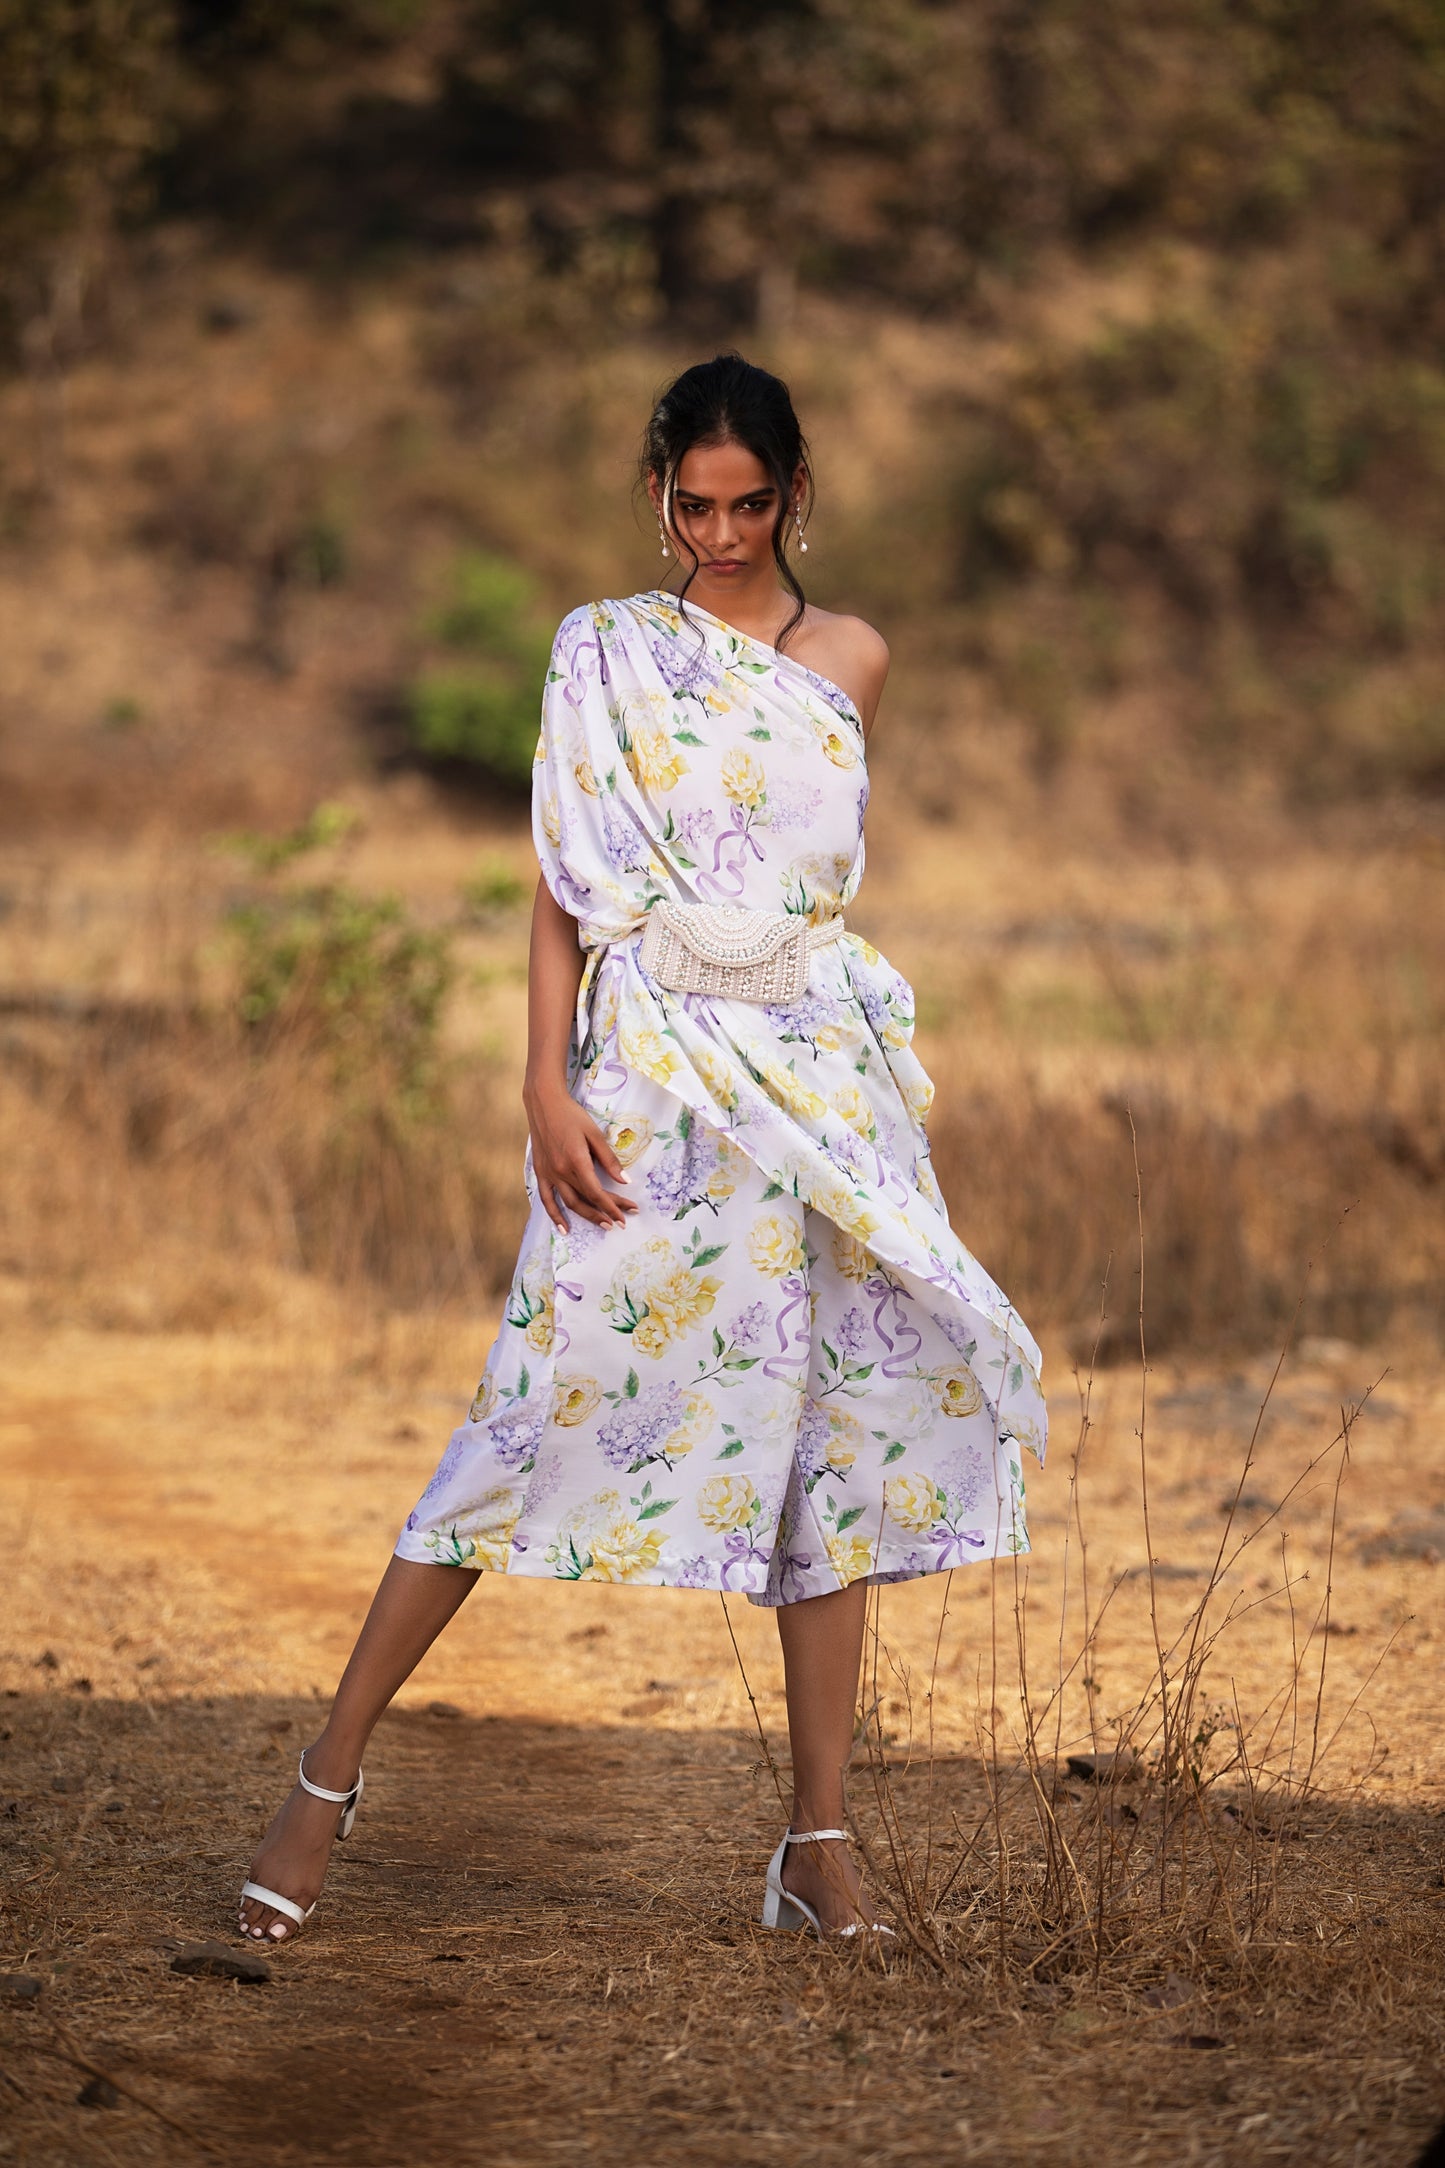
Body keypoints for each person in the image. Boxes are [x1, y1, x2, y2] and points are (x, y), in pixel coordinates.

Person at [238, 353, 1046, 1945]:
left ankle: (816, 1848)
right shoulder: (601, 651)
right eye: (695, 504)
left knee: (830, 1441)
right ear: (658, 494)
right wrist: (544, 1082)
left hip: (817, 1087)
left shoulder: (854, 658)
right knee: (524, 1410)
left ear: (796, 495)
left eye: (752, 505)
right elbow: (562, 883)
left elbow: (814, 889)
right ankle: (322, 1782)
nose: (722, 534)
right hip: (649, 1074)